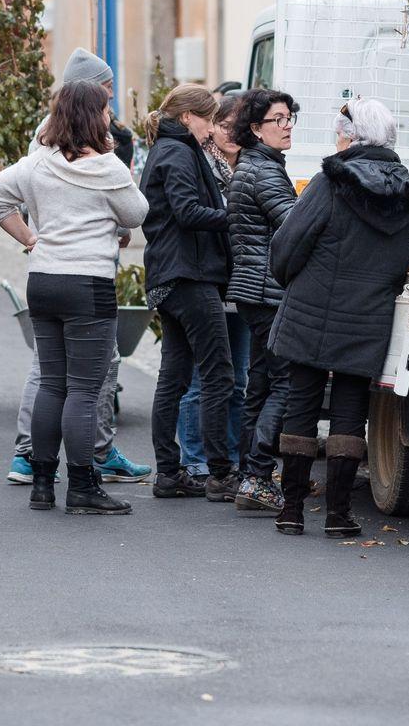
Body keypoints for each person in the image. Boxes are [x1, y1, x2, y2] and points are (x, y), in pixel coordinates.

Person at [0, 80, 147, 515]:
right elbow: (136, 214)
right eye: (106, 108)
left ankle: (41, 482)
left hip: (44, 279)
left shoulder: (39, 162)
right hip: (88, 284)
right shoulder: (108, 167)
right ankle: (81, 486)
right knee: (85, 390)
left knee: (52, 385)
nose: (111, 115)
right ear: (93, 116)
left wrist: (31, 239)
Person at [268, 98, 409, 537]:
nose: (337, 138)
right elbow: (401, 260)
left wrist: (292, 280)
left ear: (352, 137)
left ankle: (291, 510)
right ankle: (338, 515)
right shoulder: (406, 194)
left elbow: (287, 246)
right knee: (352, 412)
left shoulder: (329, 183)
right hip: (367, 317)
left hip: (312, 311)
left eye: (341, 131)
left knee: (302, 406)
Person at [140, 83, 238, 501]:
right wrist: (234, 216)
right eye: (209, 119)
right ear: (187, 118)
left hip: (170, 276)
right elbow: (186, 211)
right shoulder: (178, 152)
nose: (212, 128)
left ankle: (168, 473)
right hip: (189, 276)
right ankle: (219, 473)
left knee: (175, 377)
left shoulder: (168, 148)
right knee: (219, 375)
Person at [226, 89, 300, 514]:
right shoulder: (265, 172)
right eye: (278, 119)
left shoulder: (253, 166)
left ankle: (248, 475)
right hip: (268, 293)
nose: (287, 125)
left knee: (260, 382)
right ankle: (257, 476)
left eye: (290, 118)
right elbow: (294, 227)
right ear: (256, 129)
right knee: (285, 383)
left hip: (255, 292)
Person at [176, 93, 251, 484]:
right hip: (208, 280)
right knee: (200, 378)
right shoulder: (201, 164)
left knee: (237, 378)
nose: (231, 133)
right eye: (224, 124)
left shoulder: (254, 167)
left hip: (241, 284)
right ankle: (195, 458)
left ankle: (232, 457)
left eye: (239, 125)